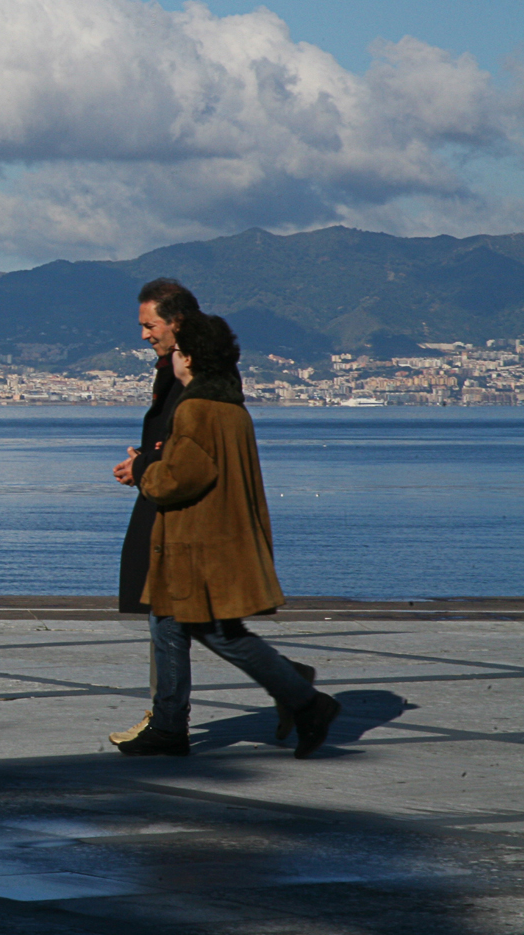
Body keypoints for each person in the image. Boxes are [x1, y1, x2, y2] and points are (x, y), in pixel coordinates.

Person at [117, 313, 340, 758]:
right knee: (173, 624)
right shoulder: (232, 407)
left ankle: (305, 699)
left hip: (193, 541)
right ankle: (169, 723)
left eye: (178, 353)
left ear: (191, 358)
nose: (173, 361)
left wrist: (143, 468)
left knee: (215, 632)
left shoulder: (195, 410)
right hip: (217, 538)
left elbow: (179, 478)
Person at [107, 279, 201, 743]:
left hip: (175, 510)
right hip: (163, 499)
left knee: (167, 614)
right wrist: (142, 462)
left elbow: (185, 445)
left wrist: (143, 463)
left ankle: (166, 722)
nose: (144, 334)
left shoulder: (190, 372)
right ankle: (288, 683)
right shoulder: (174, 367)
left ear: (175, 322)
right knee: (191, 619)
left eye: (150, 325)